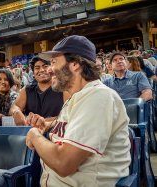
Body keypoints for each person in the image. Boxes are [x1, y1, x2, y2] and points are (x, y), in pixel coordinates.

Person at [25, 35, 131, 187]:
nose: (48, 69)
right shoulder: (78, 97)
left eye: (54, 62)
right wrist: (48, 125)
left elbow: (63, 163)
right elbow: (73, 123)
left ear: (75, 64)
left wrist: (34, 135)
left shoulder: (98, 96)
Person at [10, 56, 69, 126]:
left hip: (55, 133)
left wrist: (44, 121)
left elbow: (70, 115)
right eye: (37, 68)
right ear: (33, 73)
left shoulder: (63, 89)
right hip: (30, 133)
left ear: (52, 69)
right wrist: (16, 111)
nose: (41, 70)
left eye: (45, 66)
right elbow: (15, 106)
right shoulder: (27, 90)